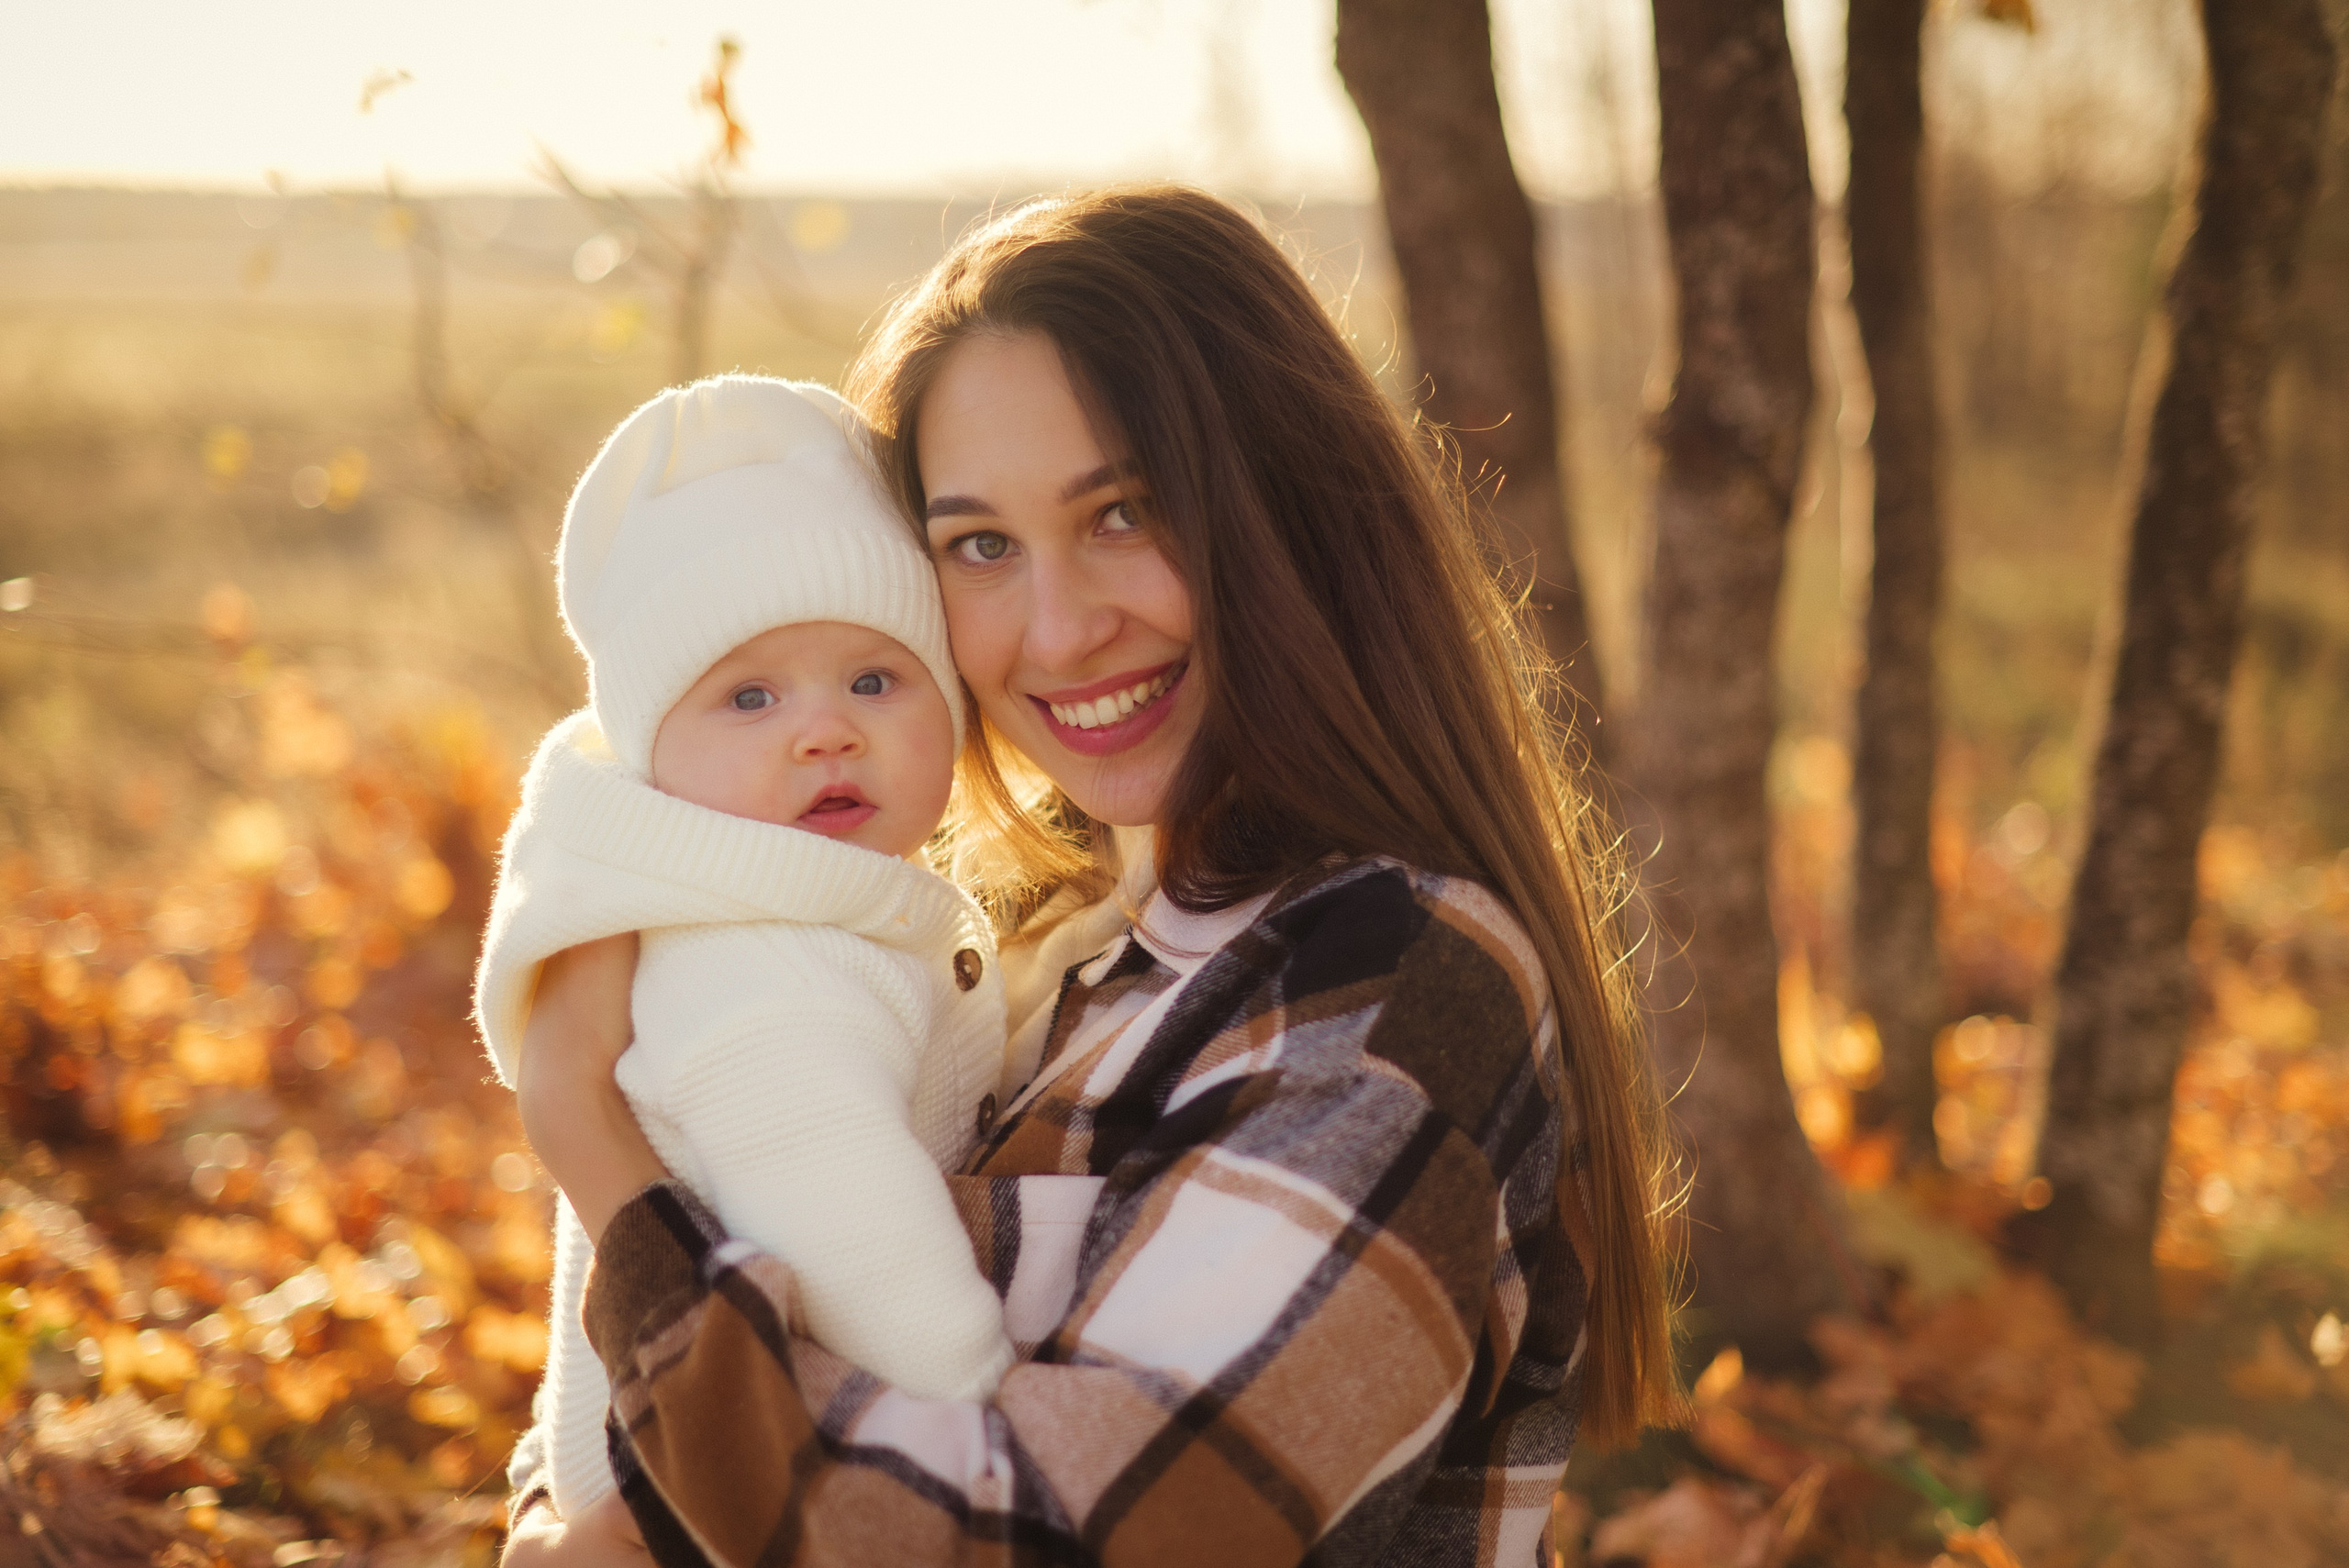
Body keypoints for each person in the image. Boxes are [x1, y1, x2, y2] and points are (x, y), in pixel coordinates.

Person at [504, 184, 1678, 1568]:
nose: (1059, 630)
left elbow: (1078, 1539)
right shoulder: (1053, 956)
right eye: (982, 547)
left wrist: (585, 1128)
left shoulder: (1391, 978)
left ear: (1290, 506)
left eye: (1125, 513)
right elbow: (594, 1429)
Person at [474, 375, 1014, 1524]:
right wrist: (987, 1401)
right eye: (749, 696)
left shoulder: (821, 906)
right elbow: (856, 1239)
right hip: (703, 1482)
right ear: (649, 752)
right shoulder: (757, 968)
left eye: (875, 678)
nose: (826, 728)